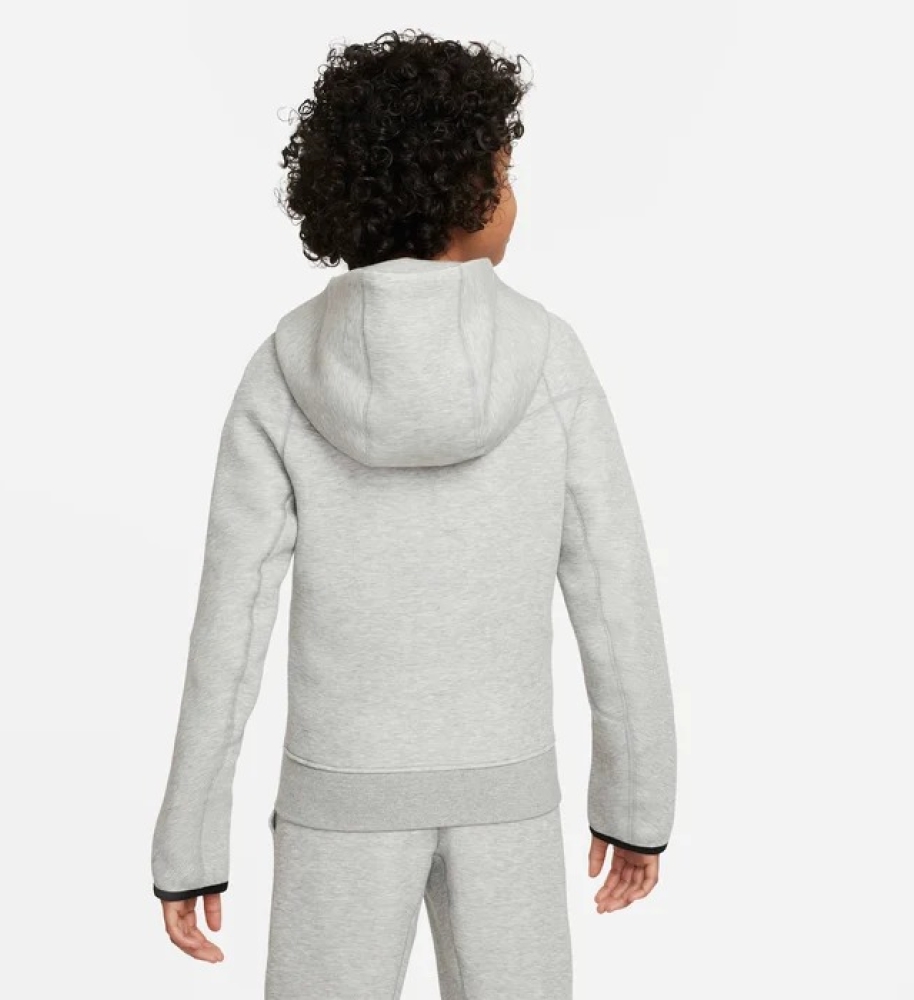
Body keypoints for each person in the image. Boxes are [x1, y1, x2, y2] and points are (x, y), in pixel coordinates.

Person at [150, 28, 677, 999]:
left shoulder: (282, 370)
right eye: (504, 172)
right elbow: (615, 594)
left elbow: (229, 626)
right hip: (507, 794)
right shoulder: (549, 360)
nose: (514, 198)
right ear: (466, 188)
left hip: (337, 799)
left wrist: (190, 844)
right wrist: (636, 802)